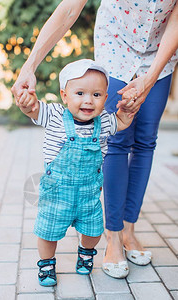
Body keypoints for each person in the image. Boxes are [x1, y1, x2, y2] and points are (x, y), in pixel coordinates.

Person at [12, 0, 178, 278]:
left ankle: (128, 230)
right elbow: (68, 8)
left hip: (162, 53)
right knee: (117, 141)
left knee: (146, 140)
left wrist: (149, 79)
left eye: (91, 97)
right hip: (117, 46)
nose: (86, 101)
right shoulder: (57, 113)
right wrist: (30, 66)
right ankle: (113, 236)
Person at [16, 59, 137, 286]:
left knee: (93, 231)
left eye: (97, 95)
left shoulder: (104, 122)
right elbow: (33, 110)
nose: (88, 100)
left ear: (105, 98)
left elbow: (121, 121)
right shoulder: (53, 116)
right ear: (64, 95)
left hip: (89, 194)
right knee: (48, 231)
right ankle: (47, 263)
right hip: (57, 194)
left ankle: (86, 252)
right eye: (80, 93)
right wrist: (26, 102)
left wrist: (127, 111)